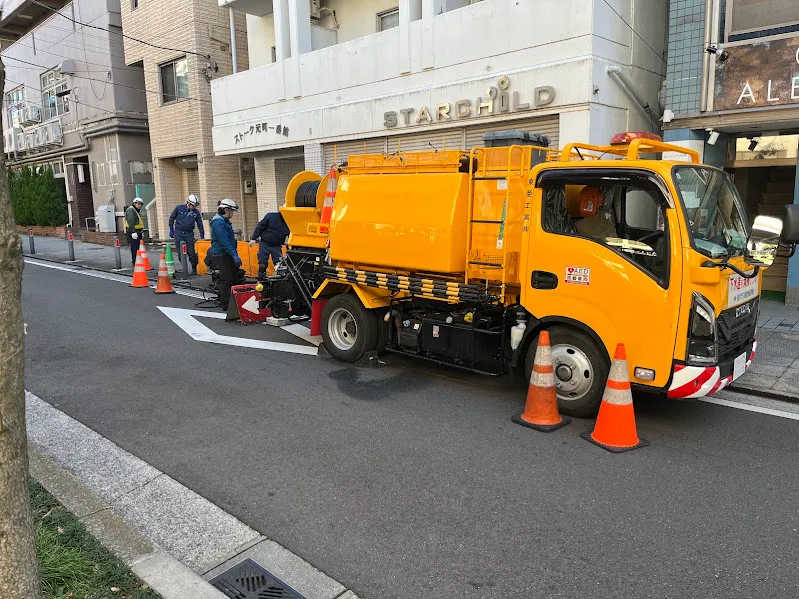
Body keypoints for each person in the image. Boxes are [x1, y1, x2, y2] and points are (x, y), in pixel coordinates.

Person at [209, 199, 242, 310]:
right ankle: (225, 303)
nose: (232, 214)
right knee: (227, 279)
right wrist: (234, 255)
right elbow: (224, 241)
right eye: (232, 211)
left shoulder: (224, 222)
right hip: (222, 255)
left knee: (234, 277)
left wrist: (234, 254)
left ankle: (233, 302)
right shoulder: (219, 223)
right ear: (226, 210)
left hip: (227, 253)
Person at [169, 194, 205, 275]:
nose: (194, 207)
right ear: (188, 203)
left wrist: (202, 234)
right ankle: (184, 268)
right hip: (179, 232)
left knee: (191, 252)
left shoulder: (196, 213)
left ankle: (194, 268)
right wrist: (171, 229)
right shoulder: (179, 208)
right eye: (193, 205)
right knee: (180, 252)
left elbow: (200, 223)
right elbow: (171, 218)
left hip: (189, 233)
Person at [249, 210, 290, 279]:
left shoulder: (289, 222)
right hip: (265, 243)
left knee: (279, 264)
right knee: (262, 264)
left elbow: (291, 236)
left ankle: (280, 279)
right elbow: (260, 227)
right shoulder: (270, 216)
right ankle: (261, 277)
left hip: (277, 246)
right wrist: (254, 238)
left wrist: (290, 247)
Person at [125, 197, 145, 265]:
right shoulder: (131, 210)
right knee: (135, 247)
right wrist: (133, 232)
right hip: (133, 231)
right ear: (134, 203)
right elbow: (131, 221)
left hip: (138, 231)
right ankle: (135, 261)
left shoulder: (136, 210)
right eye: (138, 204)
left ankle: (138, 260)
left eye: (141, 204)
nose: (140, 205)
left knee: (138, 247)